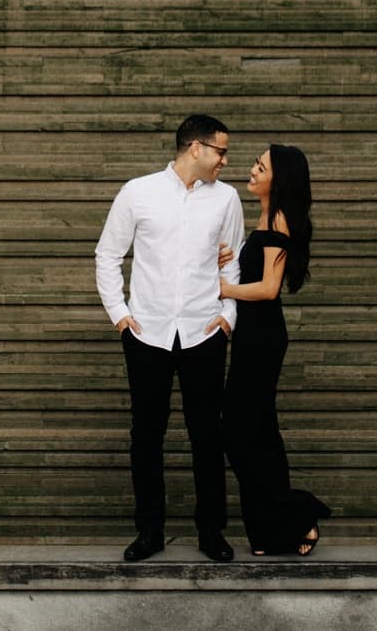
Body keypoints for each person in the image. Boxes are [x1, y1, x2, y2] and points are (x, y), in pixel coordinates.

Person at [95, 114, 245, 563]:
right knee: (146, 434)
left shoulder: (227, 199)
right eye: (221, 151)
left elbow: (230, 262)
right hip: (148, 333)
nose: (225, 160)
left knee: (207, 435)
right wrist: (121, 315)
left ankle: (211, 532)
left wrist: (229, 316)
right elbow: (108, 255)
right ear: (195, 148)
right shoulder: (137, 192)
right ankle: (150, 532)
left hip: (204, 331)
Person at [218, 144, 330, 556]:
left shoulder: (279, 219)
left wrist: (224, 288)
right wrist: (231, 259)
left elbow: (267, 288)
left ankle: (298, 515)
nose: (251, 170)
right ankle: (272, 531)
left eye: (259, 167)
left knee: (239, 433)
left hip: (262, 337)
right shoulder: (267, 217)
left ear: (277, 179)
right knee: (260, 433)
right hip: (254, 334)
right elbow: (259, 270)